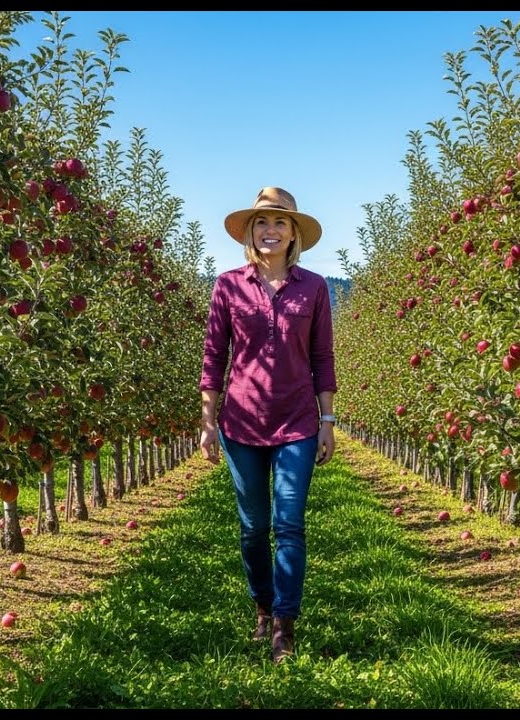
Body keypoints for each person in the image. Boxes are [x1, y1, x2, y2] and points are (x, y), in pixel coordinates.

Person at [199, 186, 337, 662]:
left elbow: (322, 356)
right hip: (240, 422)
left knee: (290, 523)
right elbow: (214, 356)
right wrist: (207, 420)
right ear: (250, 233)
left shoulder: (314, 288)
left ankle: (284, 624)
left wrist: (328, 419)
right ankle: (261, 607)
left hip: (298, 420)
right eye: (261, 222)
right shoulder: (228, 285)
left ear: (294, 233)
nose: (270, 230)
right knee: (254, 527)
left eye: (279, 222)